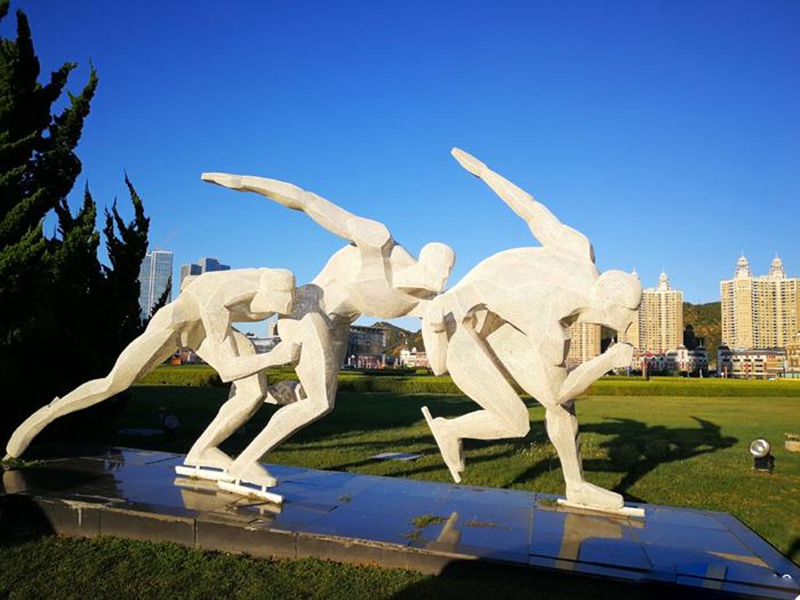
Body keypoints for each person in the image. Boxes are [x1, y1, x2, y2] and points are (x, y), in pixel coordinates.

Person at [198, 172, 455, 498]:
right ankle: (243, 464)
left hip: (337, 327)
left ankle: (266, 393)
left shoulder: (427, 300)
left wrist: (435, 328)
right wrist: (243, 182)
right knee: (318, 403)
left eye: (444, 277)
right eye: (436, 274)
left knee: (314, 398)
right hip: (307, 308)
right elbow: (304, 200)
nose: (438, 283)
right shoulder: (377, 242)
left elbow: (439, 366)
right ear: (424, 261)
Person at [420, 148, 640, 511]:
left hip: (497, 319)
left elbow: (531, 210)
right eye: (625, 318)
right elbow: (560, 388)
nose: (628, 325)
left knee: (562, 410)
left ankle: (578, 487)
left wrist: (486, 173)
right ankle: (448, 428)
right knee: (517, 420)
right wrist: (609, 359)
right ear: (606, 305)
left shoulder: (579, 250)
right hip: (454, 324)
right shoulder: (549, 323)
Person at [5, 268, 301, 475]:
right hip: (173, 326)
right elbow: (229, 369)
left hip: (207, 328)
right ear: (263, 292)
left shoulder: (272, 279)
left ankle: (203, 451)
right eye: (276, 304)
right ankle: (45, 415)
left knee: (253, 392)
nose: (279, 309)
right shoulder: (220, 302)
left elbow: (197, 280)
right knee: (113, 384)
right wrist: (274, 357)